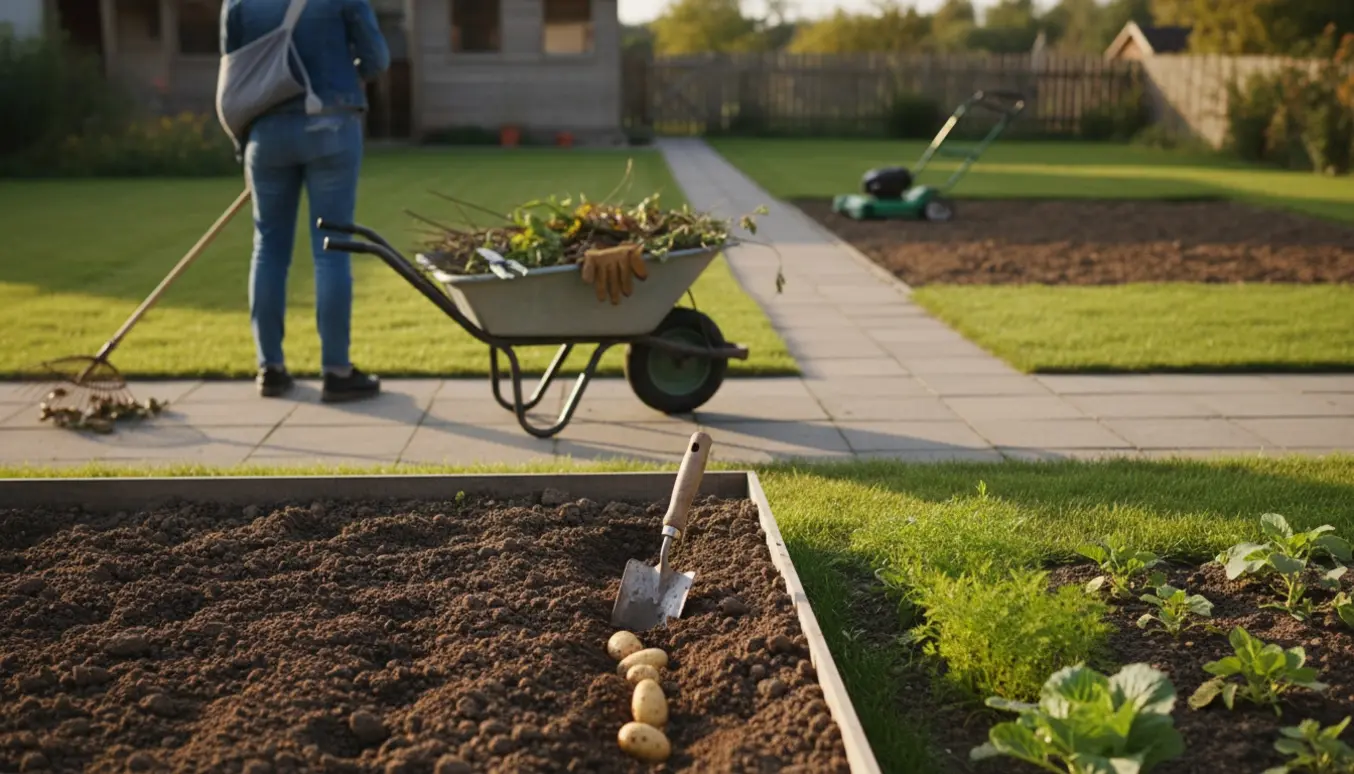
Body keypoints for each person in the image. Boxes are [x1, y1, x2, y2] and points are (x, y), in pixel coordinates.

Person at [221, 0, 390, 402]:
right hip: (331, 123)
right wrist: (347, 72)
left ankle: (271, 370)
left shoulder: (238, 2)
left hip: (266, 133)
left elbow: (235, 70)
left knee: (268, 249)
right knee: (331, 251)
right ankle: (336, 371)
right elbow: (378, 60)